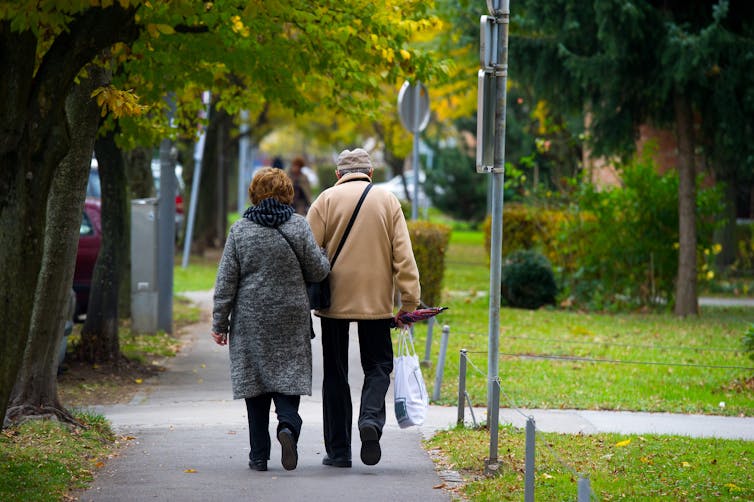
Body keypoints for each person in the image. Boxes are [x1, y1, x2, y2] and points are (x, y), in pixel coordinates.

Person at [306, 148, 421, 468]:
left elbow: (306, 251)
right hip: (376, 302)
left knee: (336, 374)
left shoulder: (325, 200)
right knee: (379, 365)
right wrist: (409, 302)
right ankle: (370, 419)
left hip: (333, 301)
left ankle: (339, 451)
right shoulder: (388, 202)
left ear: (338, 175)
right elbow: (404, 257)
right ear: (371, 173)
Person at [211, 167, 330, 472]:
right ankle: (288, 428)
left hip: (250, 319)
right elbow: (318, 271)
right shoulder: (298, 227)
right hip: (290, 315)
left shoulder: (240, 230)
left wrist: (219, 323)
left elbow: (226, 281)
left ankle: (258, 456)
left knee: (256, 386)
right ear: (287, 193)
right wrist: (325, 256)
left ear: (254, 193)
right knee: (288, 378)